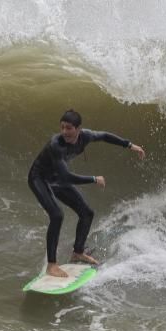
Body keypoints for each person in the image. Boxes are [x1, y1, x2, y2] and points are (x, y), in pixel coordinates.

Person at [27, 109, 145, 277]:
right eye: (62, 127)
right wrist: (93, 179)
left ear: (78, 129)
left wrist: (130, 145)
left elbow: (104, 136)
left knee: (87, 213)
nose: (64, 132)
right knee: (57, 215)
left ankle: (78, 252)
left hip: (56, 179)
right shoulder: (56, 145)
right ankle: (51, 265)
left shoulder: (86, 136)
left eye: (69, 128)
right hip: (39, 178)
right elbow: (66, 177)